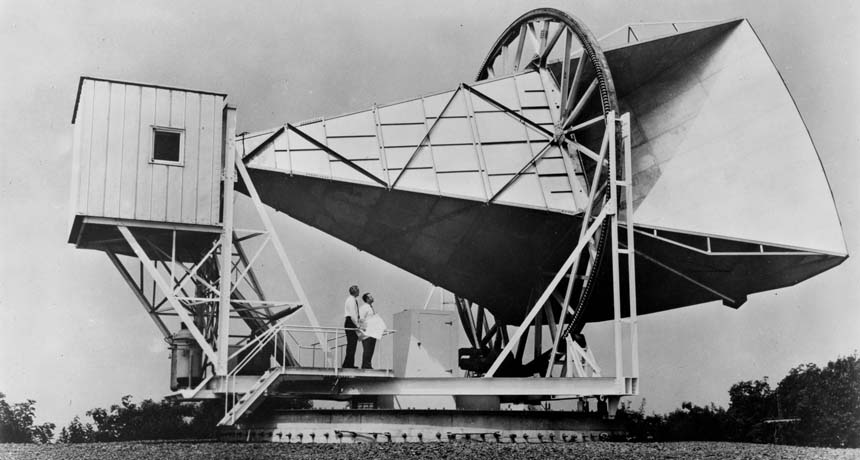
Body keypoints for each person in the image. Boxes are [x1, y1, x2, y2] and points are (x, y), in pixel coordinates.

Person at [358, 292, 385, 369]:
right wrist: (363, 331)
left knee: (371, 349)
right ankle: (365, 365)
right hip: (367, 332)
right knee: (367, 349)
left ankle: (368, 364)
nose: (372, 298)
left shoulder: (370, 307)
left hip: (372, 332)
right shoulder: (364, 308)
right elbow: (361, 319)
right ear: (367, 299)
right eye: (370, 297)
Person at [341, 285, 360, 368]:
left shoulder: (350, 299)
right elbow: (353, 314)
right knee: (352, 344)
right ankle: (348, 364)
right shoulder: (352, 300)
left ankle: (348, 363)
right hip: (351, 322)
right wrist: (357, 325)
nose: (359, 291)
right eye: (358, 290)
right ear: (355, 291)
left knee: (351, 344)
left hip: (350, 321)